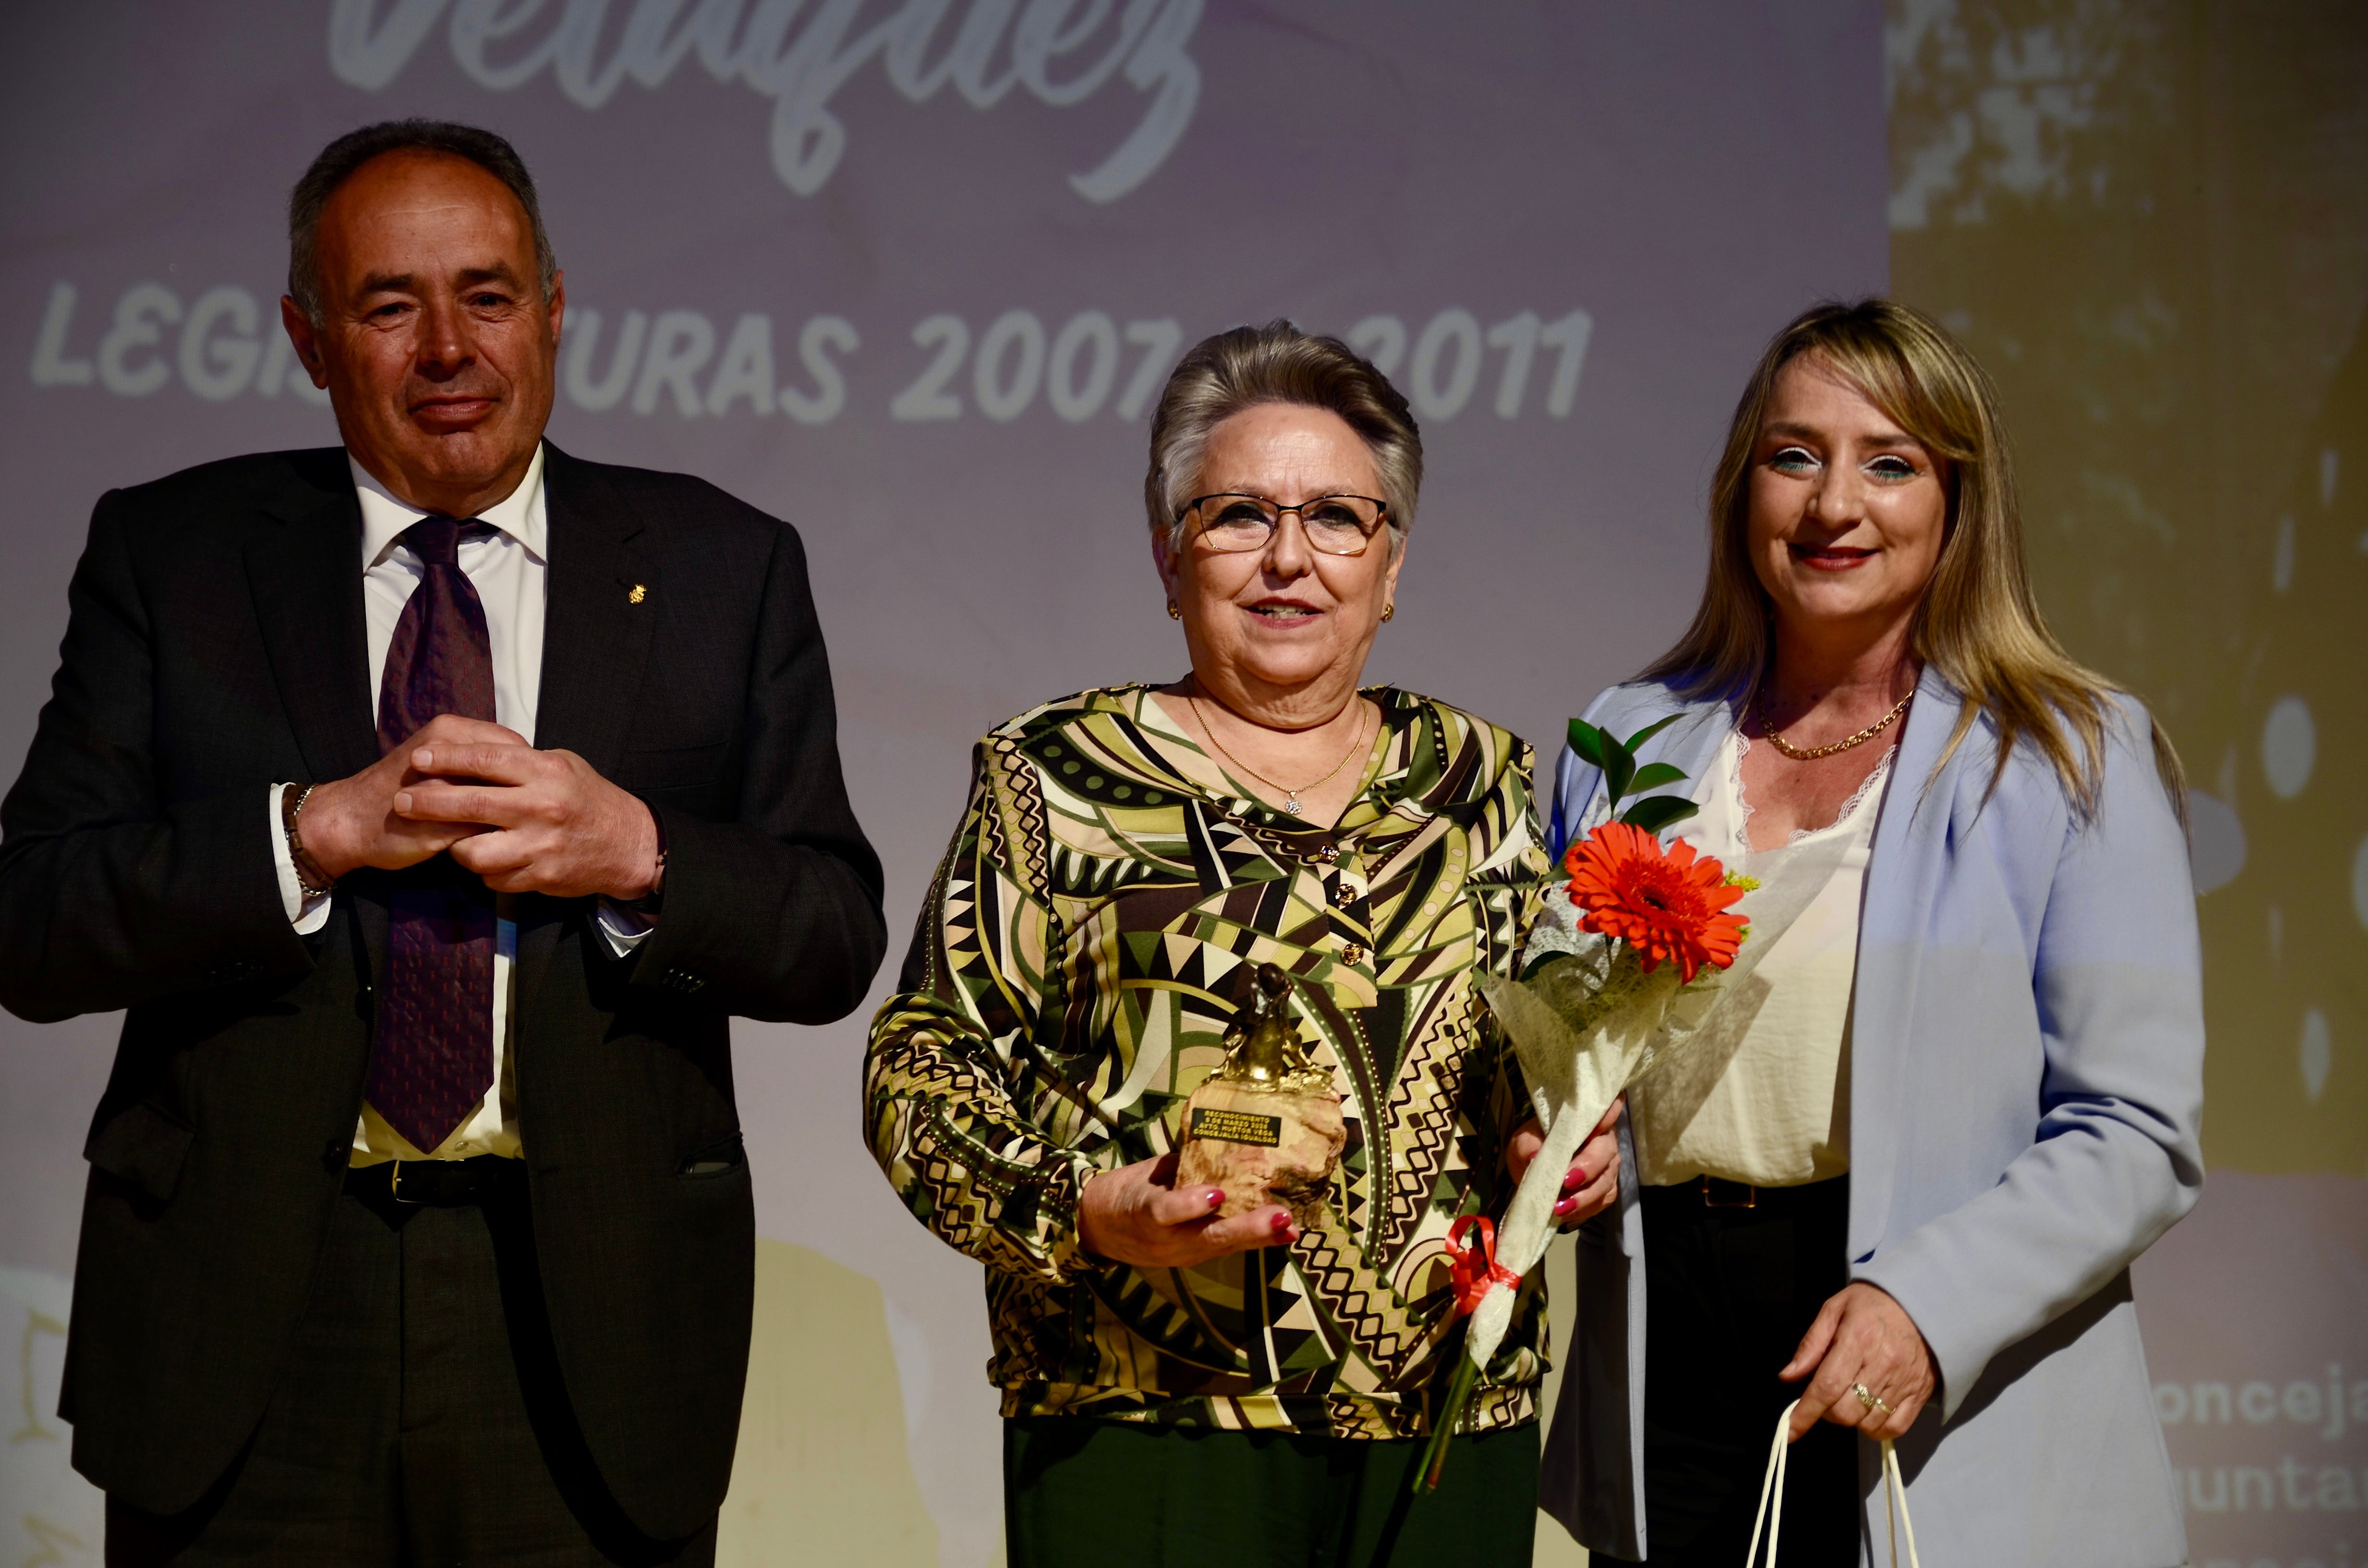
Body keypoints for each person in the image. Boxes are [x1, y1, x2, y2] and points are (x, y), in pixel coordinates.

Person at [0, 120, 886, 1564]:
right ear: (308, 338)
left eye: (486, 296)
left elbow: (833, 931)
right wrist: (305, 837)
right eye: (388, 307)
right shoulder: (176, 556)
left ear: (554, 310)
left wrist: (639, 854)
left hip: (586, 1317)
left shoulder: (722, 566)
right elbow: (32, 921)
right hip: (246, 1317)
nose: (448, 349)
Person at [863, 321, 1621, 1567]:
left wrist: (1574, 1144)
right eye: (1237, 518)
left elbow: (1538, 1056)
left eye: (1337, 519)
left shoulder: (1480, 777)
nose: (1288, 558)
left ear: (1390, 565)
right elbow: (919, 1070)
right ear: (1171, 559)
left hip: (1447, 1414)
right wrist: (1080, 1209)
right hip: (1140, 1417)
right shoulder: (1055, 776)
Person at [1535, 300, 2203, 1566]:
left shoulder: (2070, 755)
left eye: (1889, 463)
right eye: (1794, 456)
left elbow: (2135, 1132)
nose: (1834, 503)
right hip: (1673, 1359)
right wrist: (1576, 1140)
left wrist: (1926, 1307)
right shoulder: (1625, 736)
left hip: (1925, 1363)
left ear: (1959, 502)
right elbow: (1587, 1043)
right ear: (1743, 490)